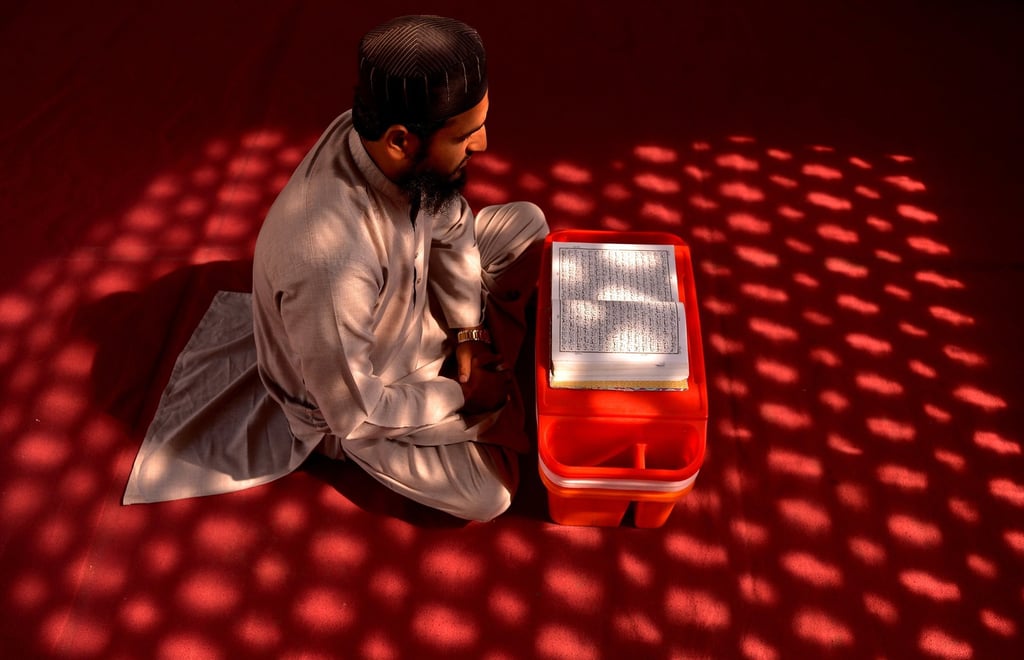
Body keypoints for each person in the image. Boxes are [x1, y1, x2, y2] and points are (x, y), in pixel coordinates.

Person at [123, 15, 548, 522]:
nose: (482, 145)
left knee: (527, 224)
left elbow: (452, 222)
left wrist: (468, 335)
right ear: (400, 140)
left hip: (414, 314)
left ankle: (487, 386)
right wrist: (461, 392)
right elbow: (357, 409)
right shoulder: (328, 264)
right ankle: (469, 409)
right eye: (466, 136)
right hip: (363, 397)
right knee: (489, 494)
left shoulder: (380, 142)